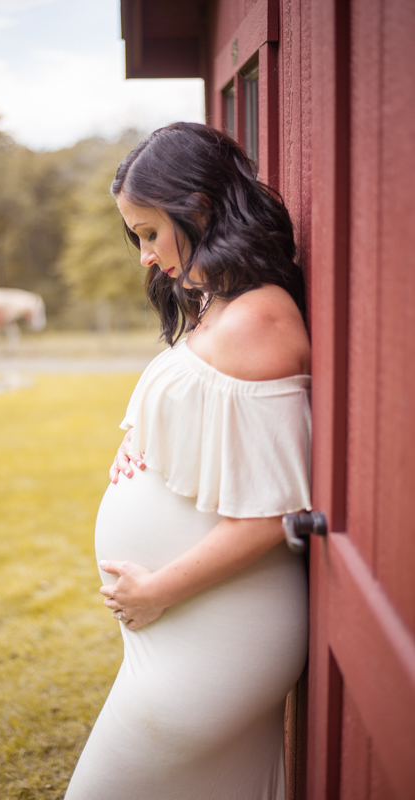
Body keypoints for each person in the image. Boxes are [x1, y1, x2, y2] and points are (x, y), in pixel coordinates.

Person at [64, 122, 311, 800]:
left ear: (198, 207)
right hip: (193, 621)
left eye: (148, 232)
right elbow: (206, 407)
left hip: (217, 622)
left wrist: (155, 590)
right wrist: (140, 435)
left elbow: (272, 516)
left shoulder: (258, 318)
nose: (144, 255)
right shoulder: (220, 303)